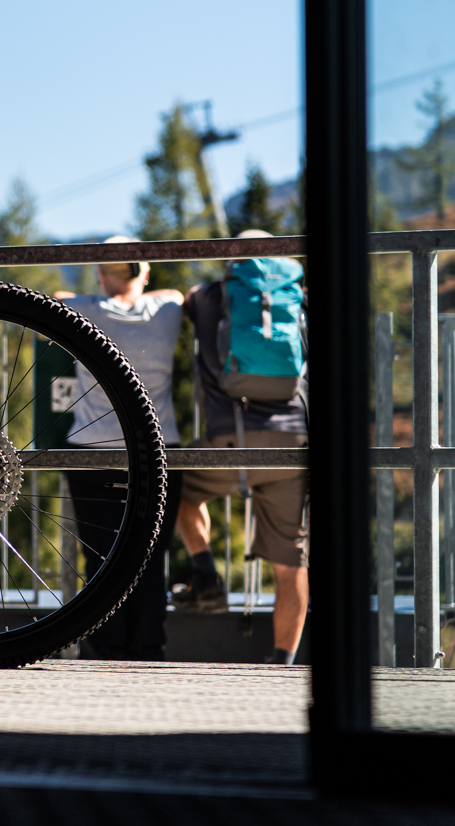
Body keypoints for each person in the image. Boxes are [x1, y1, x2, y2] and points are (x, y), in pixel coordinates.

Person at [172, 230, 309, 664]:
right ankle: (282, 660)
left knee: (170, 481)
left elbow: (183, 301)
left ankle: (206, 574)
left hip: (229, 443)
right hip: (293, 447)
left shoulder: (213, 297)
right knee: (291, 565)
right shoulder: (298, 298)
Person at [53, 236, 184, 661]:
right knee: (151, 555)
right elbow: (175, 292)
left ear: (101, 274)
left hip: (92, 451)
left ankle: (105, 647)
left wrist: (95, 289)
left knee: (101, 556)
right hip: (158, 450)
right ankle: (148, 647)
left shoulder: (84, 311)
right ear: (144, 272)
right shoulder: (167, 311)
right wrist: (143, 282)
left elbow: (55, 297)